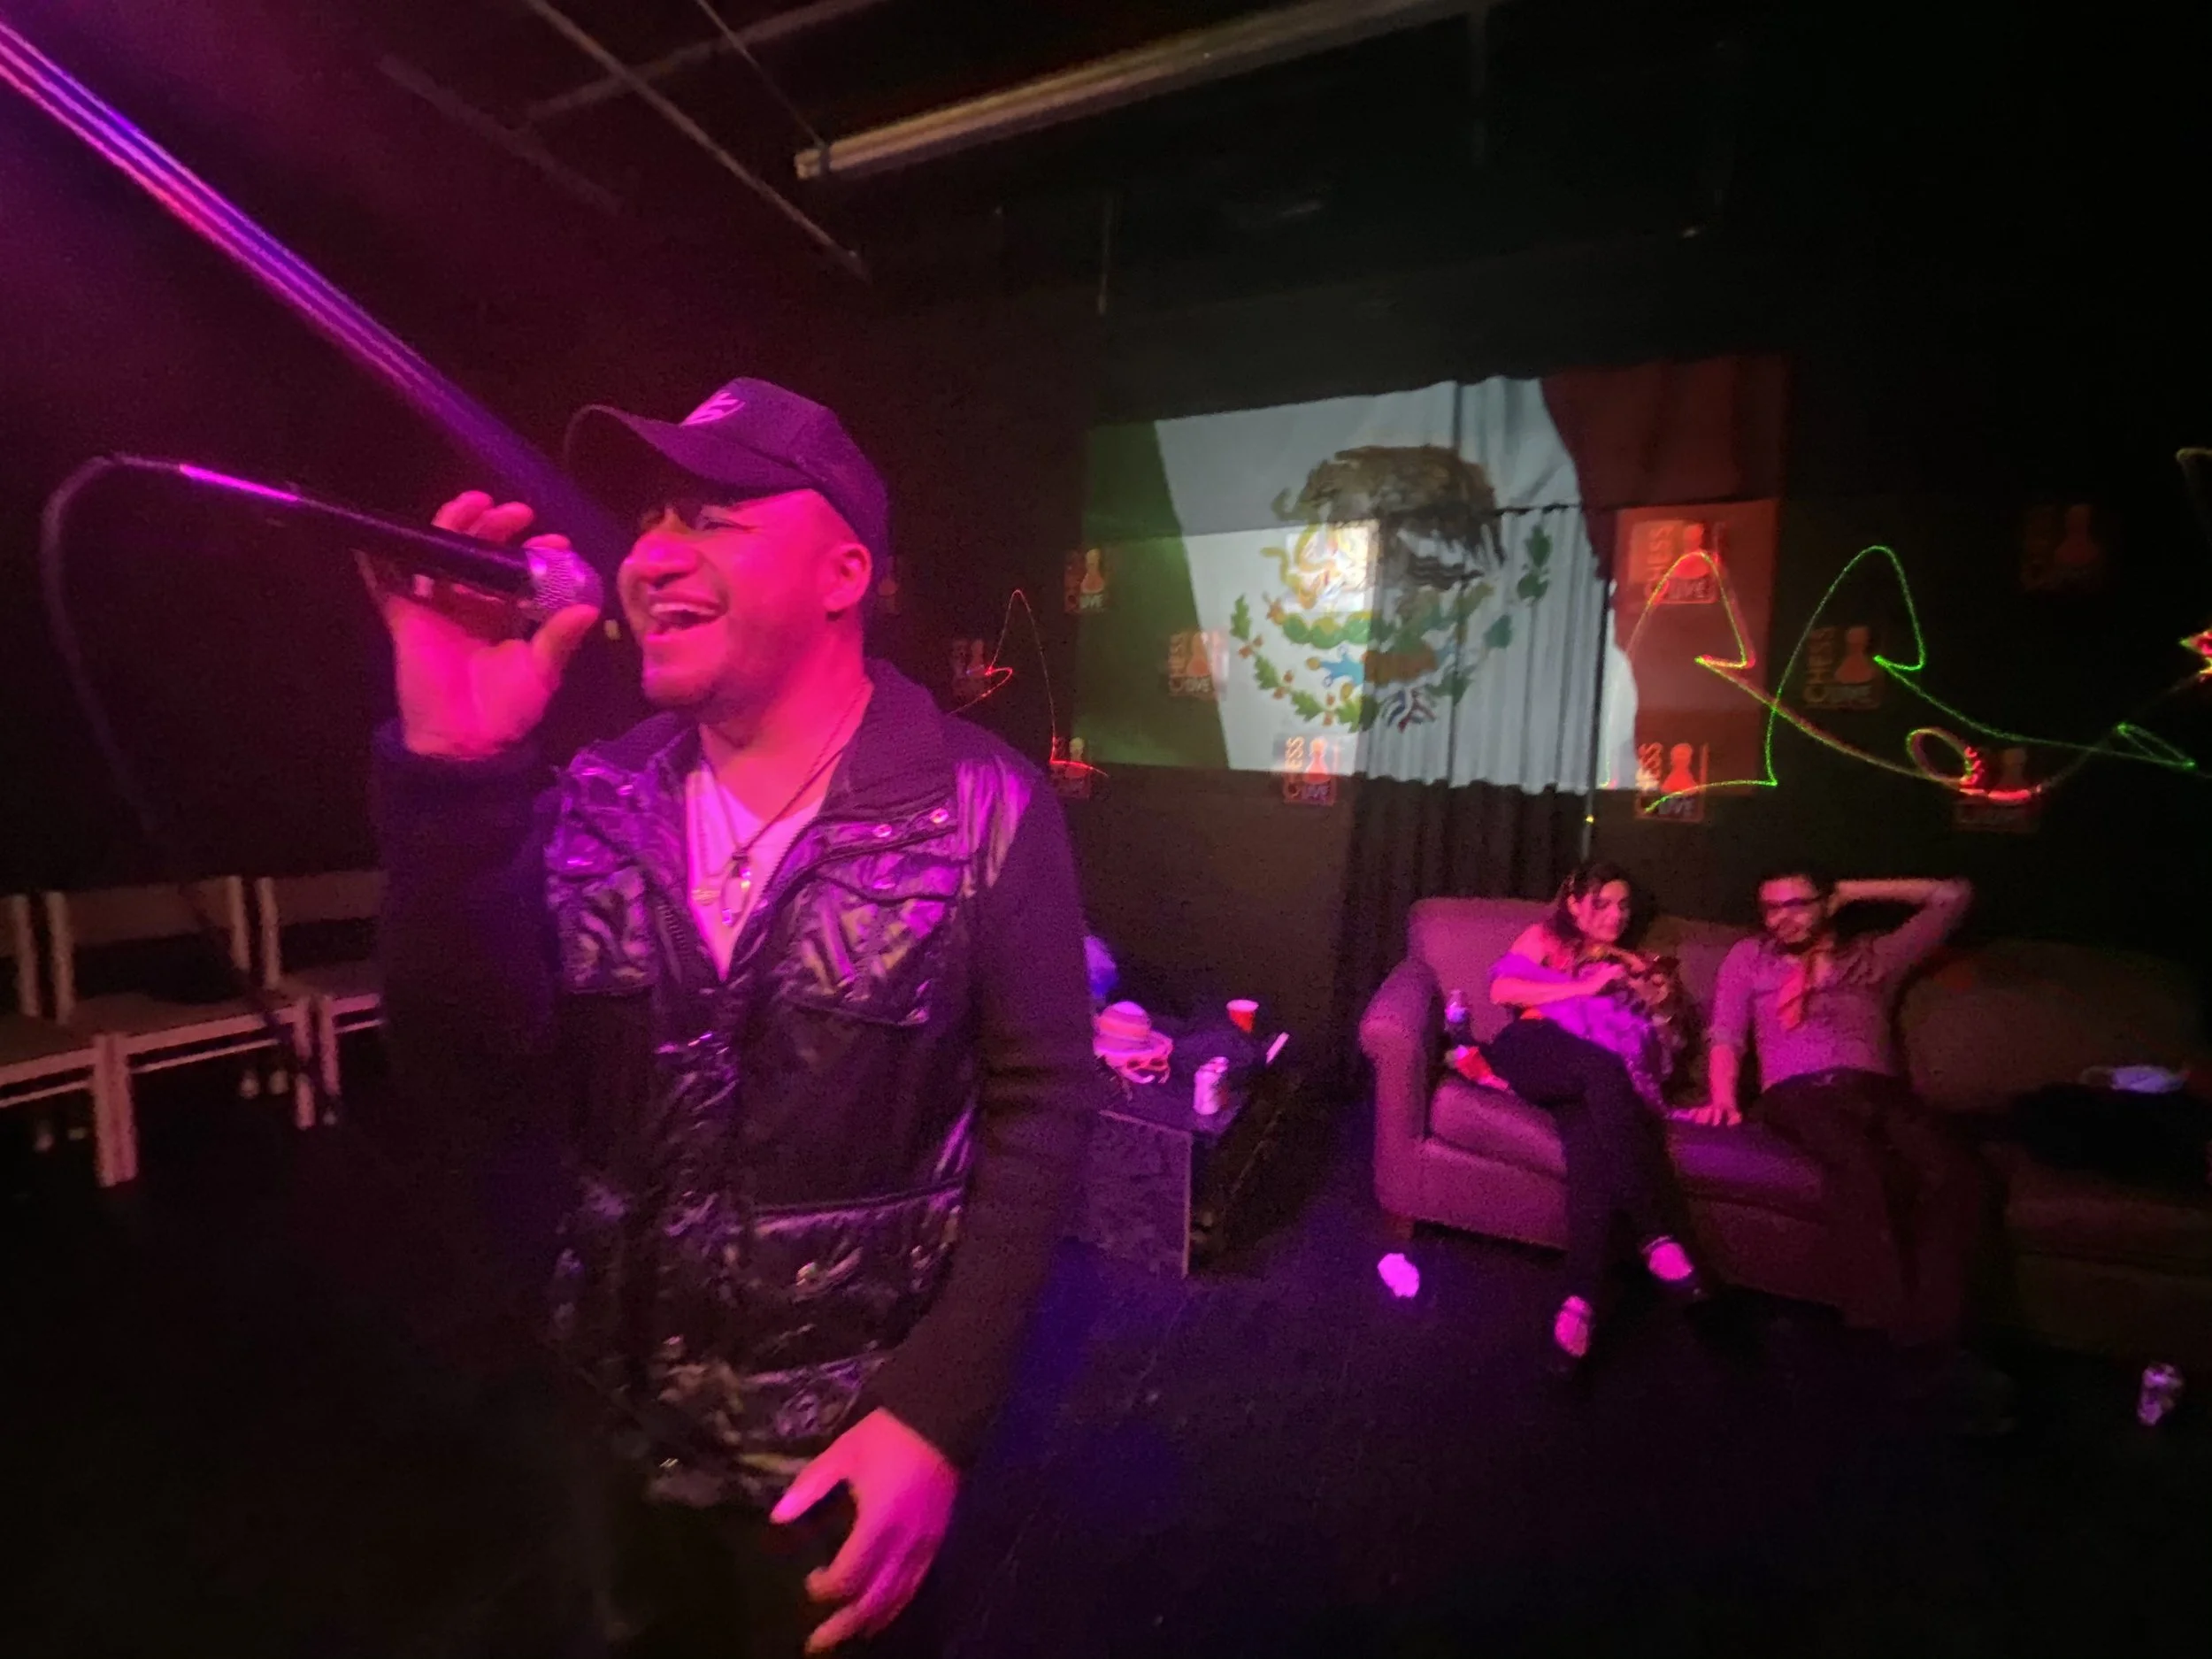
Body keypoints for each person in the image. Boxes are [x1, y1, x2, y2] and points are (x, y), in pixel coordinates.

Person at [365, 377, 1102, 1655]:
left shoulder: (989, 809)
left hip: (838, 1462)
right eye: (648, 521)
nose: (647, 555)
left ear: (843, 571)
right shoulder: (595, 794)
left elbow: (1043, 1110)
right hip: (612, 1436)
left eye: (711, 517)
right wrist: (456, 779)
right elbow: (465, 1069)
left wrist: (936, 1409)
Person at [1686, 868, 1999, 1416]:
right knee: (1863, 1170)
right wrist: (1724, 1097)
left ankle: (1943, 1336)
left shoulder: (1875, 957)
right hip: (1799, 1095)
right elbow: (1727, 1035)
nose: (1782, 918)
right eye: (1770, 908)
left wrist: (1854, 891)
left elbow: (1956, 895)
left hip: (1880, 1092)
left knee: (1955, 1172)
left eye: (1797, 905)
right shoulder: (1750, 959)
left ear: (1827, 905)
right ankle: (1904, 1347)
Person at [1485, 864, 1708, 1376]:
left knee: (1591, 1146)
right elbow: (1503, 993)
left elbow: (1665, 1047)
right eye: (1602, 903)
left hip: (1598, 1079)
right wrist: (1583, 990)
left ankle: (1579, 1298)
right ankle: (1656, 1233)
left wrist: (1660, 1006)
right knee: (1600, 1067)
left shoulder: (1644, 963)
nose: (1615, 915)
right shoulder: (1544, 939)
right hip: (1533, 1049)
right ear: (1573, 903)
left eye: (1623, 905)